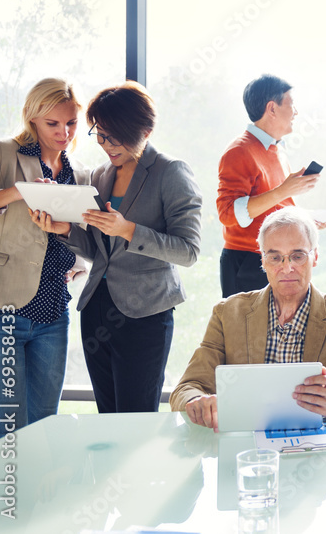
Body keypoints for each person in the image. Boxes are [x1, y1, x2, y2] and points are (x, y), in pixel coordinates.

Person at [33, 81, 202, 414]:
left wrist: (129, 229)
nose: (106, 145)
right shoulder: (99, 176)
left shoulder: (171, 173)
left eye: (116, 136)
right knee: (108, 418)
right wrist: (64, 229)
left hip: (146, 313)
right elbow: (99, 250)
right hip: (97, 308)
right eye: (101, 134)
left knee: (136, 417)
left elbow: (189, 250)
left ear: (145, 130)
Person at [170, 207, 326, 430]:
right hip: (245, 442)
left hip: (316, 443)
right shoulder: (227, 313)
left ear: (315, 256)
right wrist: (197, 403)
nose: (287, 268)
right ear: (263, 261)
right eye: (275, 257)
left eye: (298, 256)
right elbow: (188, 387)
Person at [0, 78, 90, 441]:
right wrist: (14, 194)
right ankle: (8, 500)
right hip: (2, 309)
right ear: (32, 118)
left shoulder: (79, 173)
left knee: (45, 427)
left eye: (72, 123)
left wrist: (66, 235)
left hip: (53, 310)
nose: (64, 132)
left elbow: (85, 241)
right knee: (9, 432)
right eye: (53, 124)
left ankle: (42, 499)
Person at [217, 74, 321, 298]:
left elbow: (276, 204)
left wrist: (305, 220)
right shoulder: (239, 151)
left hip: (275, 257)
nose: (296, 113)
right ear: (272, 109)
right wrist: (285, 190)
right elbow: (227, 213)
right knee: (247, 332)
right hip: (247, 261)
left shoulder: (277, 150)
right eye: (291, 105)